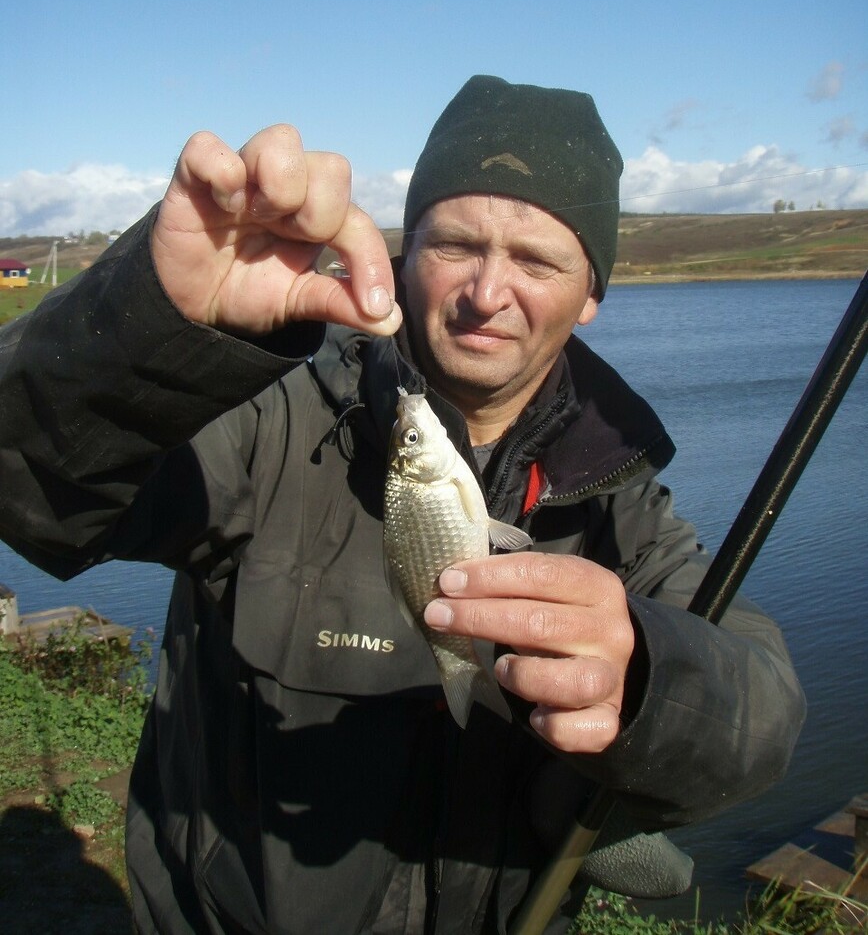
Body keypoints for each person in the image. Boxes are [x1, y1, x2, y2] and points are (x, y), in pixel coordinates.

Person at [0, 76, 804, 934]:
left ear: (592, 292)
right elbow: (32, 488)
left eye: (536, 261)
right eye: (456, 245)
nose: (488, 293)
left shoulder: (618, 500)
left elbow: (761, 714)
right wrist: (150, 323)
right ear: (404, 250)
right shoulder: (270, 420)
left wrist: (644, 673)